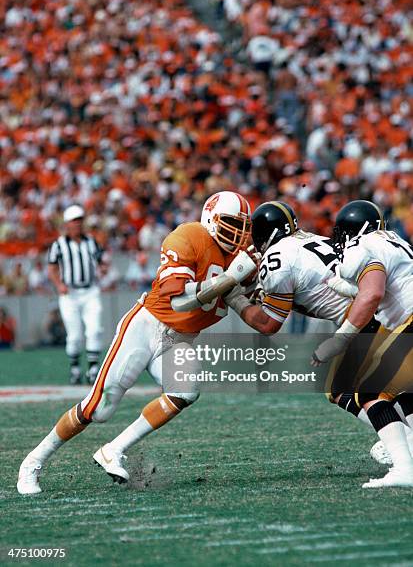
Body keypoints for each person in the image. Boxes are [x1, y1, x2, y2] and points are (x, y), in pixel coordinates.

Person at [17, 191, 260, 495]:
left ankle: (113, 450)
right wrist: (230, 278)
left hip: (180, 339)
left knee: (185, 391)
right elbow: (180, 302)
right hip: (147, 326)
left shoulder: (239, 260)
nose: (236, 233)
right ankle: (33, 461)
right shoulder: (189, 236)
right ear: (210, 218)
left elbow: (258, 316)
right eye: (230, 223)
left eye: (242, 226)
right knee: (98, 408)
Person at [236, 201, 413, 478]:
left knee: (355, 390)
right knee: (387, 388)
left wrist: (235, 299)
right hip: (378, 316)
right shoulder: (312, 239)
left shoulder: (277, 257)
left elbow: (269, 323)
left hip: (364, 319)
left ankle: (401, 445)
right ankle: (402, 441)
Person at [312, 200, 413, 488]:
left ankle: (405, 470)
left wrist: (339, 339)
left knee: (368, 389)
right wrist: (345, 287)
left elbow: (372, 294)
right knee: (404, 392)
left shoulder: (364, 246)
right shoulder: (393, 240)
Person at [47, 205, 104, 385]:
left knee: (94, 329)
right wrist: (59, 284)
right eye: (74, 221)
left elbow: (101, 261)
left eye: (80, 220)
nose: (78, 224)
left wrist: (103, 270)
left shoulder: (91, 241)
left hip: (90, 290)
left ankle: (93, 369)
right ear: (67, 224)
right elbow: (52, 268)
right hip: (69, 293)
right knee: (74, 335)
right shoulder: (59, 244)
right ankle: (75, 369)